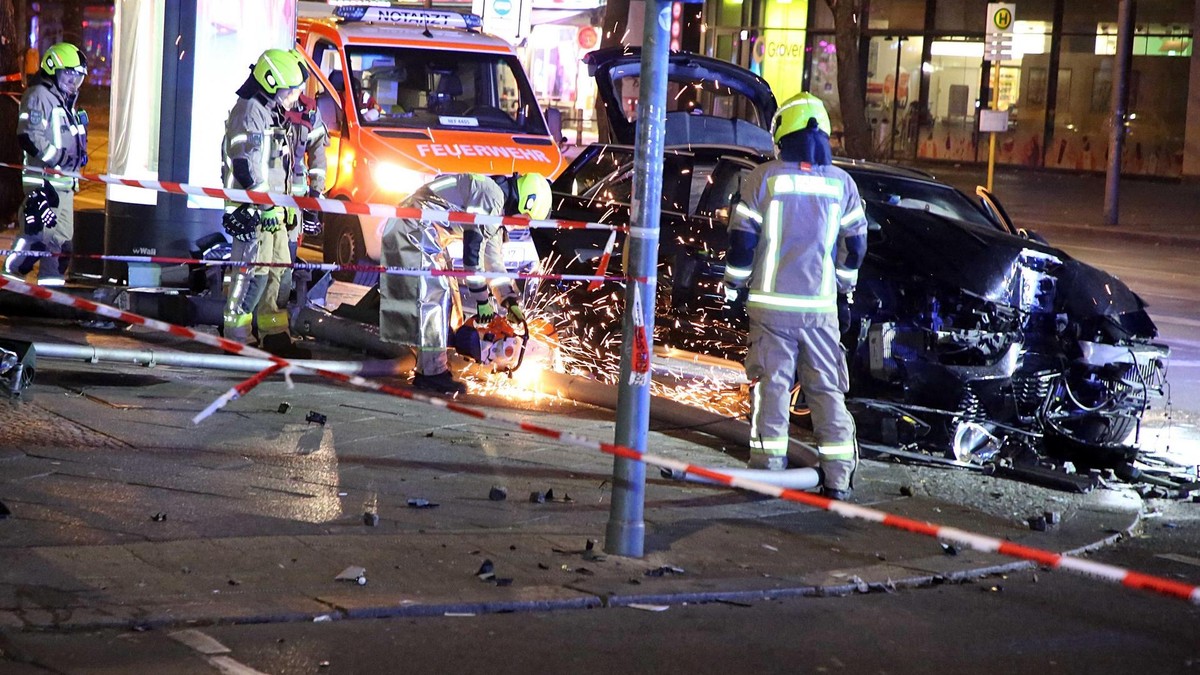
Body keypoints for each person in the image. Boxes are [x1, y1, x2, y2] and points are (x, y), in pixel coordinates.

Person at [723, 92, 868, 500]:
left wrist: (734, 287)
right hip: (821, 314)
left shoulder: (763, 179)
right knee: (826, 392)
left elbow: (741, 244)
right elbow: (855, 248)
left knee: (771, 390)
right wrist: (841, 287)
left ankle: (768, 475)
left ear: (782, 133)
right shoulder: (843, 185)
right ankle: (838, 479)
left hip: (770, 311)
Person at [378, 172, 552, 395]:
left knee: (450, 298)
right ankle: (431, 374)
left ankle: (435, 361)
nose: (522, 225)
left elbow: (493, 261)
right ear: (526, 203)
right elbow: (473, 254)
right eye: (526, 220)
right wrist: (481, 300)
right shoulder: (491, 196)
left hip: (423, 230)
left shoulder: (496, 208)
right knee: (434, 296)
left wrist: (509, 301)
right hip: (412, 227)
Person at [220, 48, 311, 359]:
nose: (294, 98)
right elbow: (244, 164)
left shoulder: (269, 110)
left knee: (278, 275)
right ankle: (237, 338)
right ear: (271, 82)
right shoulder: (248, 112)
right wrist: (265, 206)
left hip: (271, 212)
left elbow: (275, 167)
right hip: (254, 212)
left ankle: (273, 335)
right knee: (251, 276)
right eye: (290, 91)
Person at [4, 43, 89, 284]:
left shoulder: (64, 100)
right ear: (53, 69)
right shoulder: (39, 96)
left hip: (64, 185)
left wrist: (77, 157)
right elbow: (29, 136)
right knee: (44, 239)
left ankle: (41, 289)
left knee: (58, 243)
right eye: (69, 74)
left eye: (77, 76)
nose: (73, 81)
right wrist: (60, 159)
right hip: (44, 184)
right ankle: (17, 283)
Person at [278, 49, 329, 316]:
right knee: (263, 264)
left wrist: (314, 200)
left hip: (294, 206)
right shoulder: (266, 108)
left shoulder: (308, 112)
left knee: (285, 260)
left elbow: (318, 156)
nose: (296, 93)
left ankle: (278, 315)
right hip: (269, 200)